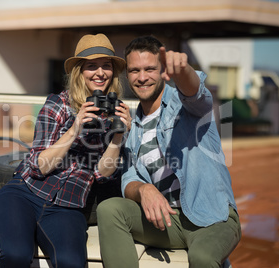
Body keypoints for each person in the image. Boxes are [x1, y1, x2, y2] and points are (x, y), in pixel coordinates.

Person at [97, 35, 241, 268]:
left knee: (202, 258)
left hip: (212, 218)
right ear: (127, 75)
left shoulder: (185, 106)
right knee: (110, 210)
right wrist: (144, 189)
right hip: (169, 222)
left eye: (150, 69)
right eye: (134, 71)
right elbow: (129, 178)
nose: (142, 77)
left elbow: (195, 92)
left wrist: (183, 70)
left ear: (164, 70)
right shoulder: (133, 126)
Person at [0, 33, 131, 268]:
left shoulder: (116, 116)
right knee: (16, 254)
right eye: (91, 66)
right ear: (79, 71)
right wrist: (75, 128)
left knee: (72, 263)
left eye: (106, 66)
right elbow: (38, 165)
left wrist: (118, 136)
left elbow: (101, 174)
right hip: (24, 194)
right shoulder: (58, 104)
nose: (100, 73)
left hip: (67, 207)